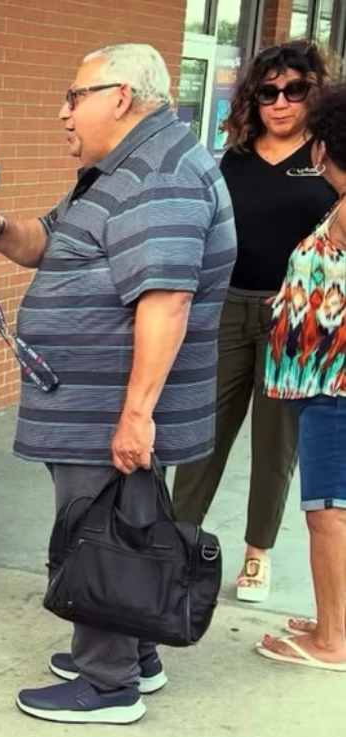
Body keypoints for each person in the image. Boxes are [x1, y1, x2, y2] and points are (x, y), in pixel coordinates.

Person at [0, 43, 235, 725]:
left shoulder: (159, 177)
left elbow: (165, 301)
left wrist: (136, 414)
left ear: (121, 96)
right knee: (129, 525)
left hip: (110, 407)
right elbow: (52, 240)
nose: (62, 112)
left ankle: (107, 682)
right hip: (96, 404)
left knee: (98, 533)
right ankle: (134, 650)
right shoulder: (122, 169)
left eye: (74, 96)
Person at [172, 41, 336, 605]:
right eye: (268, 92)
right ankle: (177, 539)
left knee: (275, 443)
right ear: (252, 98)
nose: (281, 102)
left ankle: (257, 554)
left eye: (294, 90)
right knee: (203, 431)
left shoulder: (327, 159)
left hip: (294, 319)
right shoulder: (235, 157)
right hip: (228, 307)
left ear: (314, 93)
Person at [256, 80, 346, 673]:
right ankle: (332, 620)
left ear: (320, 149)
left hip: (334, 387)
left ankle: (332, 643)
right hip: (322, 382)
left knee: (328, 512)